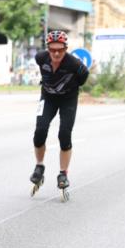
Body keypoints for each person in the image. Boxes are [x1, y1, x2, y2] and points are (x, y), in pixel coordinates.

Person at [30, 30, 90, 195]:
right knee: (40, 131)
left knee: (64, 134)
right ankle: (39, 166)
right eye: (53, 49)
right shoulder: (40, 58)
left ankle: (63, 173)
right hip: (48, 97)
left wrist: (71, 86)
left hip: (68, 99)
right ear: (48, 49)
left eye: (60, 50)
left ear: (66, 49)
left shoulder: (74, 64)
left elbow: (84, 77)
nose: (56, 53)